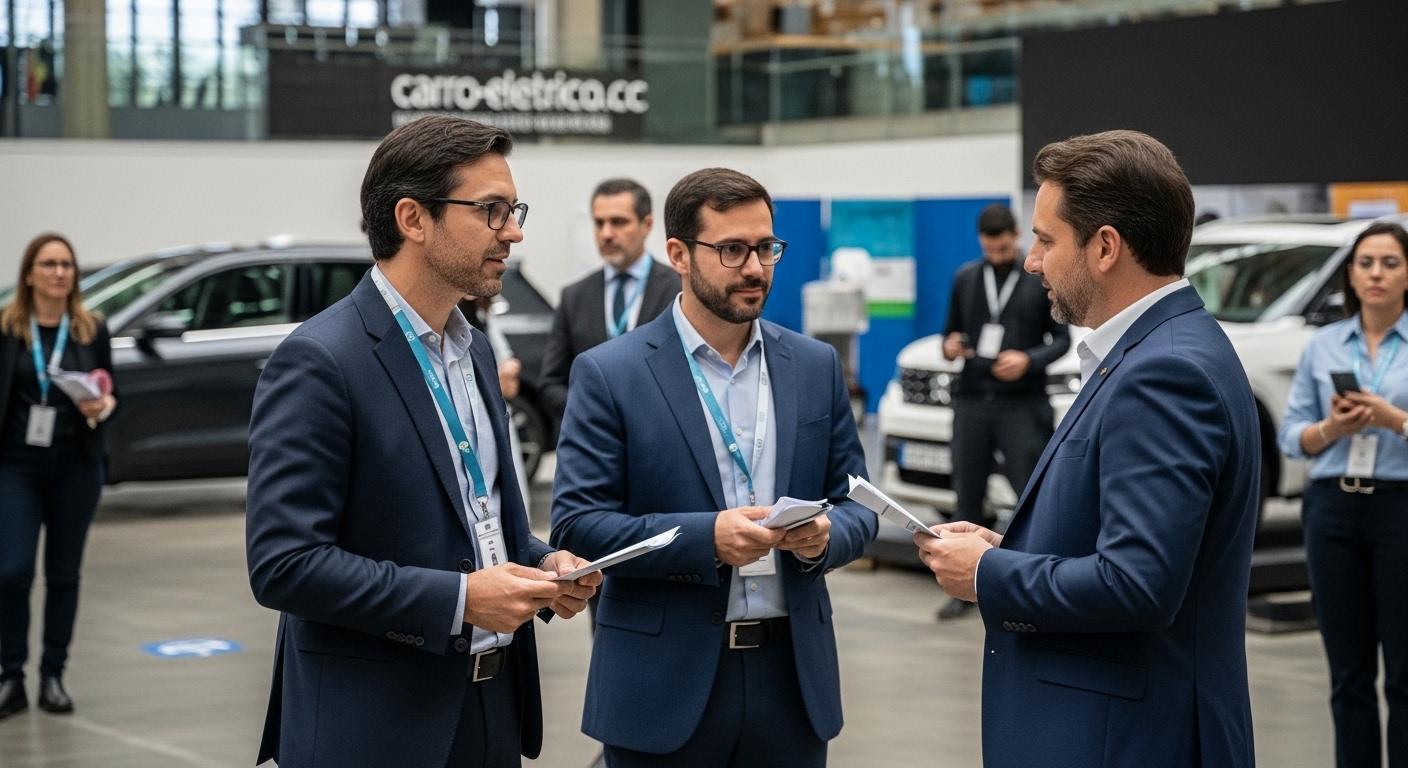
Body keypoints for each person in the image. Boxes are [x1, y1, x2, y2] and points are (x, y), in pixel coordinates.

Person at [245, 115, 600, 768]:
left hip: (492, 711)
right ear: (412, 218)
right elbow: (284, 564)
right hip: (376, 727)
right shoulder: (322, 360)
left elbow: (480, 525)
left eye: (513, 210)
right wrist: (462, 599)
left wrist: (544, 566)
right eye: (492, 211)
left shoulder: (477, 352)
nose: (514, 232)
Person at [914, 130, 1260, 767]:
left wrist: (987, 574)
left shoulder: (1165, 374)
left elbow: (1137, 584)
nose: (1031, 261)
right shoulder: (1152, 352)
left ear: (1105, 247)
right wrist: (1012, 548)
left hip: (1124, 739)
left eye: (1046, 240)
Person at [550, 167, 877, 767]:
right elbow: (576, 525)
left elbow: (859, 502)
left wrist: (825, 537)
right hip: (661, 684)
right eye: (731, 249)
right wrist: (708, 538)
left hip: (792, 684)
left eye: (765, 248)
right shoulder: (611, 373)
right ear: (678, 253)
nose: (754, 267)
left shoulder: (813, 365)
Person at [1278, 221, 1408, 768]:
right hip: (1332, 506)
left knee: (1404, 673)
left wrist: (1392, 419)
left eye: (1390, 263)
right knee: (1347, 673)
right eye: (1366, 263)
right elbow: (1293, 437)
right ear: (1351, 275)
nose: (1376, 274)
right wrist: (1335, 428)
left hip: (1400, 507)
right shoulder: (1323, 344)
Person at [0, 233, 117, 719]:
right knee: (13, 570)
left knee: (64, 574)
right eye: (48, 264)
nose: (59, 272)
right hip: (16, 467)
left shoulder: (91, 329)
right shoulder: (7, 329)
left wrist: (102, 406)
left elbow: (111, 391)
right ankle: (11, 675)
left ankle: (53, 675)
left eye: (67, 263)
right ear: (30, 274)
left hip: (75, 466)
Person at [937, 202, 1069, 620]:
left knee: (1032, 494)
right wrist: (950, 347)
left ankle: (1039, 575)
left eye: (1003, 247)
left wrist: (1028, 360)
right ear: (981, 243)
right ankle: (963, 586)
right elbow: (950, 333)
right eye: (990, 250)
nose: (997, 256)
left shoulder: (1037, 278)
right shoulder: (966, 278)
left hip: (1022, 403)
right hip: (973, 399)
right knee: (967, 493)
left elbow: (1062, 340)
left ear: (1016, 235)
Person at [539, 178, 678, 429]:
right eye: (599, 223)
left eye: (618, 222)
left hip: (660, 436)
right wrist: (593, 413)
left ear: (646, 225)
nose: (606, 234)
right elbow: (551, 383)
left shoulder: (678, 289)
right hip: (594, 444)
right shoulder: (574, 297)